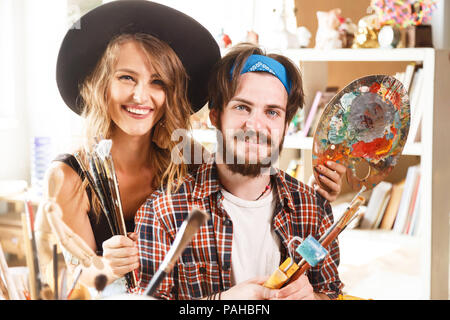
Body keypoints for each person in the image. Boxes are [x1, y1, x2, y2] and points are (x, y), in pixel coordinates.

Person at [35, 0, 220, 295]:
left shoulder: (190, 161)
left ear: (171, 94)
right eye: (126, 77)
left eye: (157, 81)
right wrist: (105, 266)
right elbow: (61, 283)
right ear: (100, 84)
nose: (140, 95)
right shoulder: (69, 178)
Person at [134, 43, 345, 300]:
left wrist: (313, 299)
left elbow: (331, 293)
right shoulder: (163, 213)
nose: (256, 125)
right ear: (215, 115)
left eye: (272, 112)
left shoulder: (313, 210)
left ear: (286, 125)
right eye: (242, 107)